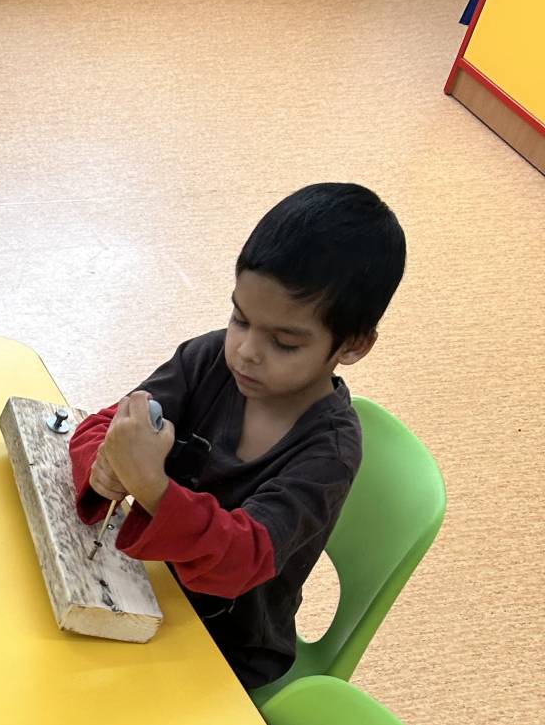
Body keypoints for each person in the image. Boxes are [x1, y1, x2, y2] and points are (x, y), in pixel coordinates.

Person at [69, 184, 406, 688]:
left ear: (352, 346)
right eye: (240, 318)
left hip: (226, 649)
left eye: (284, 342)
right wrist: (105, 464)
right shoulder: (209, 359)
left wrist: (152, 488)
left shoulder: (329, 452)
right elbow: (104, 426)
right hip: (142, 584)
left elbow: (242, 559)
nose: (247, 351)